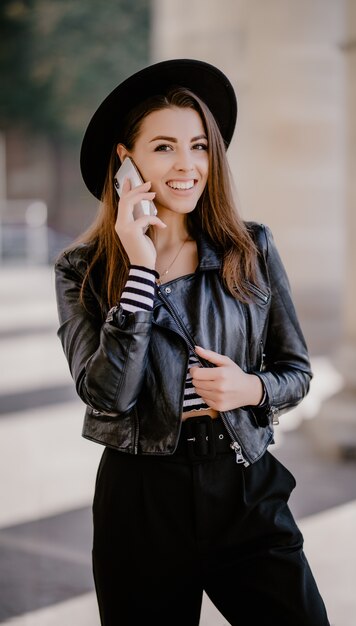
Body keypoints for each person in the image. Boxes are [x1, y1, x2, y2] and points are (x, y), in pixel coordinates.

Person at [55, 59, 330, 626]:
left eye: (200, 146)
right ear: (124, 161)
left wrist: (249, 387)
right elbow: (108, 398)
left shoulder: (250, 248)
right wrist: (140, 268)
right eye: (164, 147)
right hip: (141, 505)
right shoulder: (81, 270)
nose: (187, 165)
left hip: (245, 492)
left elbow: (297, 372)